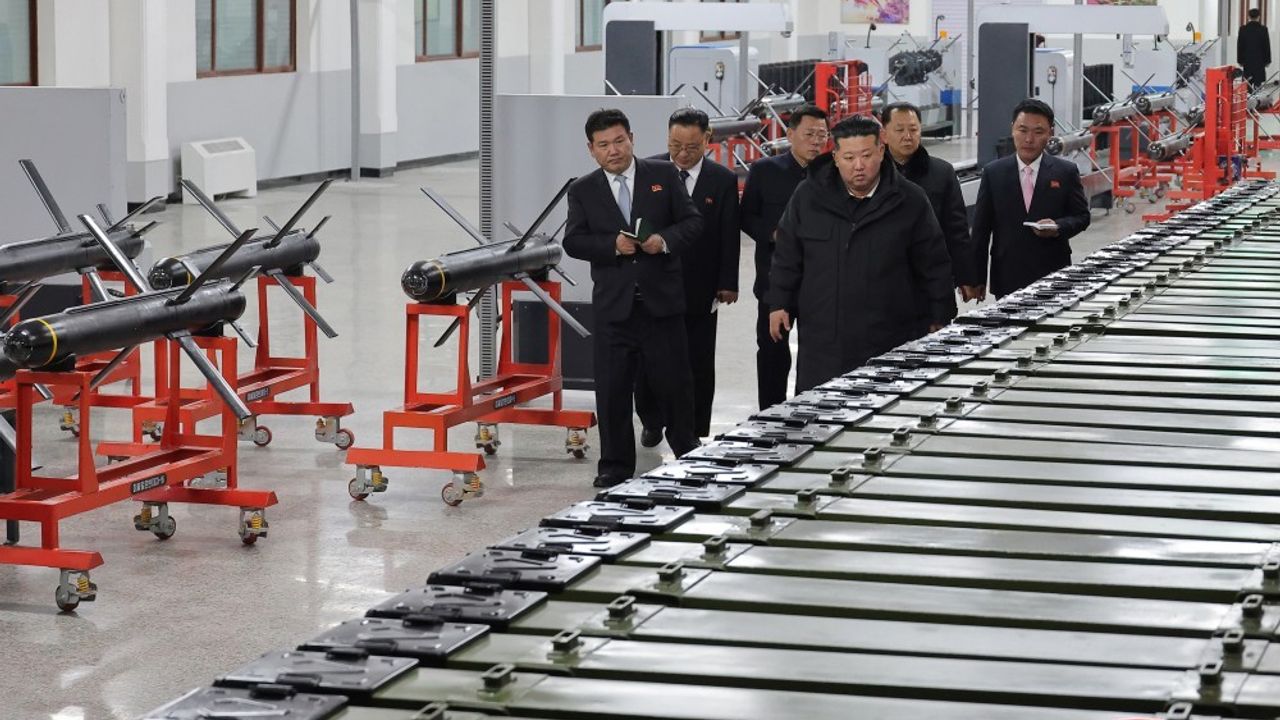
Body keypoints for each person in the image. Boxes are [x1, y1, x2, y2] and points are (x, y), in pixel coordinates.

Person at [563, 108, 704, 488]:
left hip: (661, 304)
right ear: (591, 149)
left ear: (632, 139)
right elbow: (573, 241)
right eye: (603, 145)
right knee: (612, 390)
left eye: (619, 141)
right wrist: (612, 245)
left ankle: (687, 450)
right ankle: (614, 465)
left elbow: (692, 222)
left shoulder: (663, 175)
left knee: (675, 384)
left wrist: (664, 241)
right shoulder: (583, 190)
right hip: (614, 309)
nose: (613, 151)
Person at [766, 115, 955, 393]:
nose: (858, 166)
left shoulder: (909, 200)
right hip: (823, 339)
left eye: (866, 155)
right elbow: (787, 254)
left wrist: (940, 315)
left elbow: (934, 262)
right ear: (835, 157)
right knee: (819, 409)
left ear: (881, 150)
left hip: (890, 338)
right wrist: (779, 302)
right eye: (849, 157)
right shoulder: (809, 196)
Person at [634, 108, 740, 442]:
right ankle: (652, 420)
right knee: (649, 359)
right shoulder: (648, 170)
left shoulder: (721, 180)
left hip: (700, 284)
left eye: (691, 147)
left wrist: (728, 282)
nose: (682, 154)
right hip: (655, 283)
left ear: (707, 139)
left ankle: (694, 429)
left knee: (698, 360)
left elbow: (728, 234)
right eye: (675, 145)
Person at [740, 104, 828, 409]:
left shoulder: (833, 173)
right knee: (772, 351)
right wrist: (773, 233)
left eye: (822, 135)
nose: (816, 141)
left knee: (818, 353)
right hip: (774, 280)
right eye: (809, 134)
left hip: (820, 280)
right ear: (790, 135)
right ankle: (770, 414)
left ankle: (814, 411)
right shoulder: (765, 171)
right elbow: (746, 216)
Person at [969, 98, 1090, 300]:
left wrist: (1058, 227)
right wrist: (976, 278)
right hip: (1008, 275)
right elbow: (981, 230)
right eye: (1023, 130)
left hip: (1053, 273)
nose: (1029, 139)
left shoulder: (1065, 172)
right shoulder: (994, 173)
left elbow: (1082, 216)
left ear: (1050, 133)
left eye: (1038, 132)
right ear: (1012, 129)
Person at [880, 101, 982, 317]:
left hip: (931, 277)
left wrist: (966, 276)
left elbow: (956, 230)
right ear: (884, 134)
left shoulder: (941, 172)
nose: (907, 136)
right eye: (899, 130)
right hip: (884, 279)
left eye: (913, 129)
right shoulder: (873, 173)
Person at [1239, 7, 1271, 90]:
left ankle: (1248, 97)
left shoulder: (1243, 29)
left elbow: (1240, 46)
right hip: (1259, 61)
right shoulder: (1263, 29)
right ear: (1259, 17)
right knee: (1258, 83)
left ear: (1248, 17)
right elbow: (1266, 46)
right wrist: (1267, 60)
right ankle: (1257, 97)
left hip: (1247, 60)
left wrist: (1240, 60)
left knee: (1247, 83)